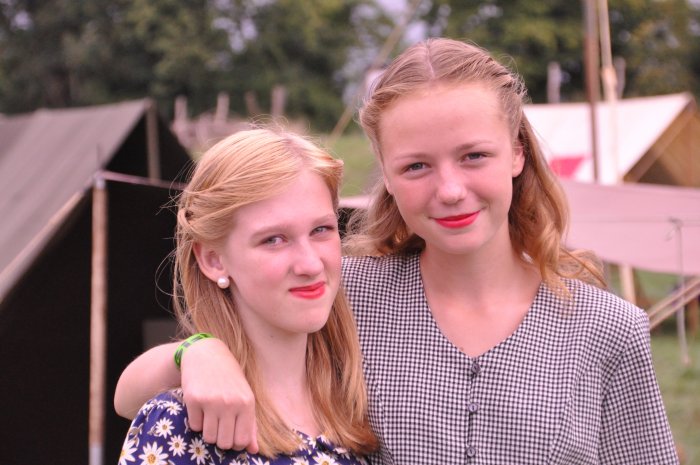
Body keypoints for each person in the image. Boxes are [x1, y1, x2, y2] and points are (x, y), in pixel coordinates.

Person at [115, 39, 679, 464]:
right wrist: (196, 350)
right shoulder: (344, 294)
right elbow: (136, 397)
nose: (450, 189)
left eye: (474, 156)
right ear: (385, 175)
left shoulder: (608, 329)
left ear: (517, 154)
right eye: (416, 166)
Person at [116, 128, 377, 465]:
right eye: (274, 239)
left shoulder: (360, 403)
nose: (311, 264)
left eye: (321, 230)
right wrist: (192, 349)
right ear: (214, 260)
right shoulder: (183, 423)